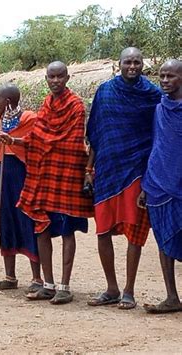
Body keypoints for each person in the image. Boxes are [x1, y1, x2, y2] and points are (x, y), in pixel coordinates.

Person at [86, 47, 162, 309]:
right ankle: (111, 288)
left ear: (143, 65)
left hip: (137, 171)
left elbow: (161, 131)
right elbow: (95, 132)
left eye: (137, 62)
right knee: (102, 231)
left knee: (134, 232)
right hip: (107, 171)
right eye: (127, 62)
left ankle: (129, 290)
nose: (132, 66)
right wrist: (89, 170)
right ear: (118, 65)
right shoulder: (105, 92)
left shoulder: (152, 94)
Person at [15, 61, 93, 304]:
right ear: (46, 78)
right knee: (42, 226)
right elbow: (37, 135)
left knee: (68, 230)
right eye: (52, 77)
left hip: (67, 174)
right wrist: (14, 141)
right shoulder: (47, 104)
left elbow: (71, 142)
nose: (56, 81)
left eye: (60, 76)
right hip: (45, 175)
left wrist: (44, 143)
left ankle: (65, 286)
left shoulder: (76, 105)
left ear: (68, 78)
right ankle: (47, 284)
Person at [141, 59, 182, 314]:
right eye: (162, 76)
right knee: (164, 240)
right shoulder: (159, 109)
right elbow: (157, 145)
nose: (165, 81)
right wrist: (147, 183)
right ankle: (171, 297)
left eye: (171, 76)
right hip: (158, 182)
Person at [0, 83, 42, 291]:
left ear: (8, 101)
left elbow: (35, 143)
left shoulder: (29, 118)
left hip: (21, 174)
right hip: (2, 172)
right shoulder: (1, 120)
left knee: (26, 221)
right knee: (6, 222)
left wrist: (13, 141)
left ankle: (37, 277)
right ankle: (10, 276)